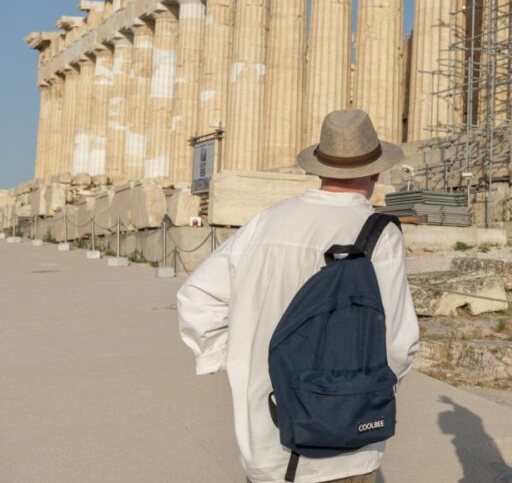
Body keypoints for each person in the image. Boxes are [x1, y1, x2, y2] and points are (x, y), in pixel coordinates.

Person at [177, 109, 420, 483]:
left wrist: (240, 355)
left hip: (263, 438)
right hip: (343, 449)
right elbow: (399, 344)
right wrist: (362, 394)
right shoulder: (378, 234)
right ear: (376, 172)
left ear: (319, 169)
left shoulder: (265, 222)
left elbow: (197, 297)